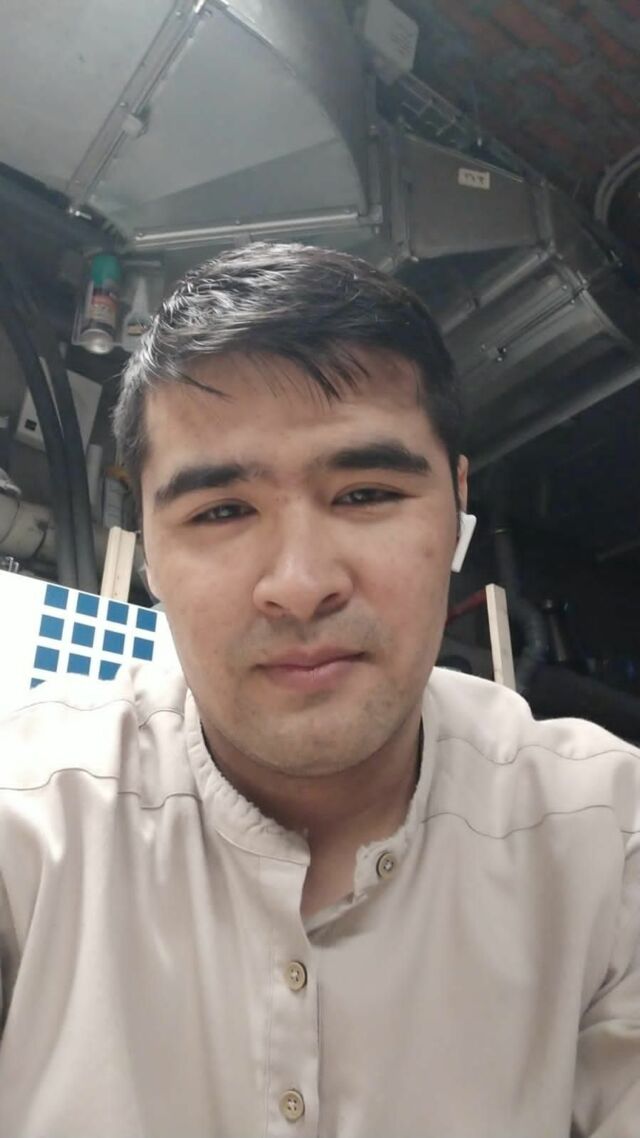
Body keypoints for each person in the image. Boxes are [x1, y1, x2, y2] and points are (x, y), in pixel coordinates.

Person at [0, 243, 638, 1138]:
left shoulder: (608, 839)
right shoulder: (26, 824)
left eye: (366, 493)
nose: (300, 586)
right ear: (147, 546)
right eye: (222, 511)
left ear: (457, 505)